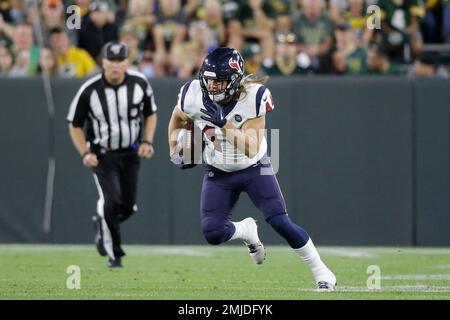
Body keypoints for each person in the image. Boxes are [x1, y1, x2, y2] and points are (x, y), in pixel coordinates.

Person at [167, 47, 336, 290]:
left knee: (279, 221)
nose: (212, 87)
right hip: (218, 169)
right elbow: (177, 116)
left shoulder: (254, 97)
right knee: (213, 232)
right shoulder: (191, 93)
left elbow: (251, 147)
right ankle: (246, 230)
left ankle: (322, 272)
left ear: (235, 80)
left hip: (254, 166)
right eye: (209, 81)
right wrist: (174, 147)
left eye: (219, 82)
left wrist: (224, 125)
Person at [67, 42, 158, 268]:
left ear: (127, 61)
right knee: (111, 202)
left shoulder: (139, 83)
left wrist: (147, 141)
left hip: (130, 153)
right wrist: (85, 152)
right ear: (103, 61)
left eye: (120, 60)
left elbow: (151, 113)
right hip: (103, 155)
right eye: (111, 60)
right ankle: (113, 254)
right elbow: (74, 123)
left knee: (127, 206)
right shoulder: (89, 89)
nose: (116, 65)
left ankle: (102, 223)